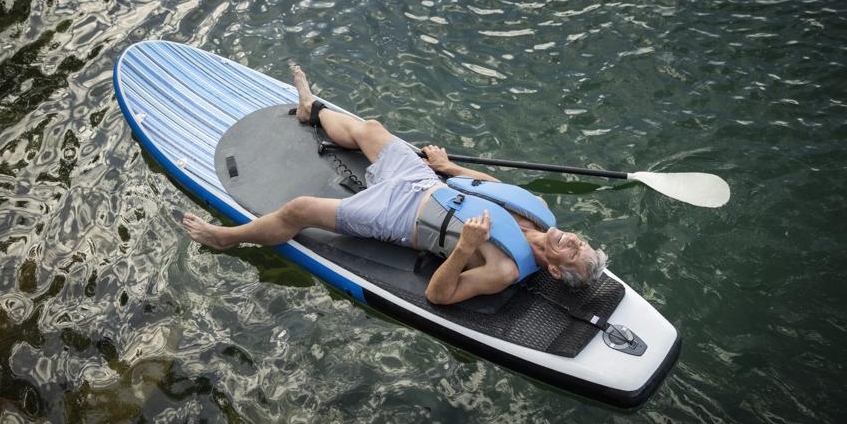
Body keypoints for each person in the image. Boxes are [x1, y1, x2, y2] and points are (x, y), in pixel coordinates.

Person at [183, 65, 608, 305]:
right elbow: (494, 186)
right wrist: (449, 165)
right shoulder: (537, 209)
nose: (570, 238)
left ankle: (228, 238)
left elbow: (440, 295)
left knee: (299, 210)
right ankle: (309, 110)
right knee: (371, 129)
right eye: (579, 240)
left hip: (399, 217)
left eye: (572, 251)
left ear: (554, 269)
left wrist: (464, 247)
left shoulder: (504, 270)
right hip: (421, 179)